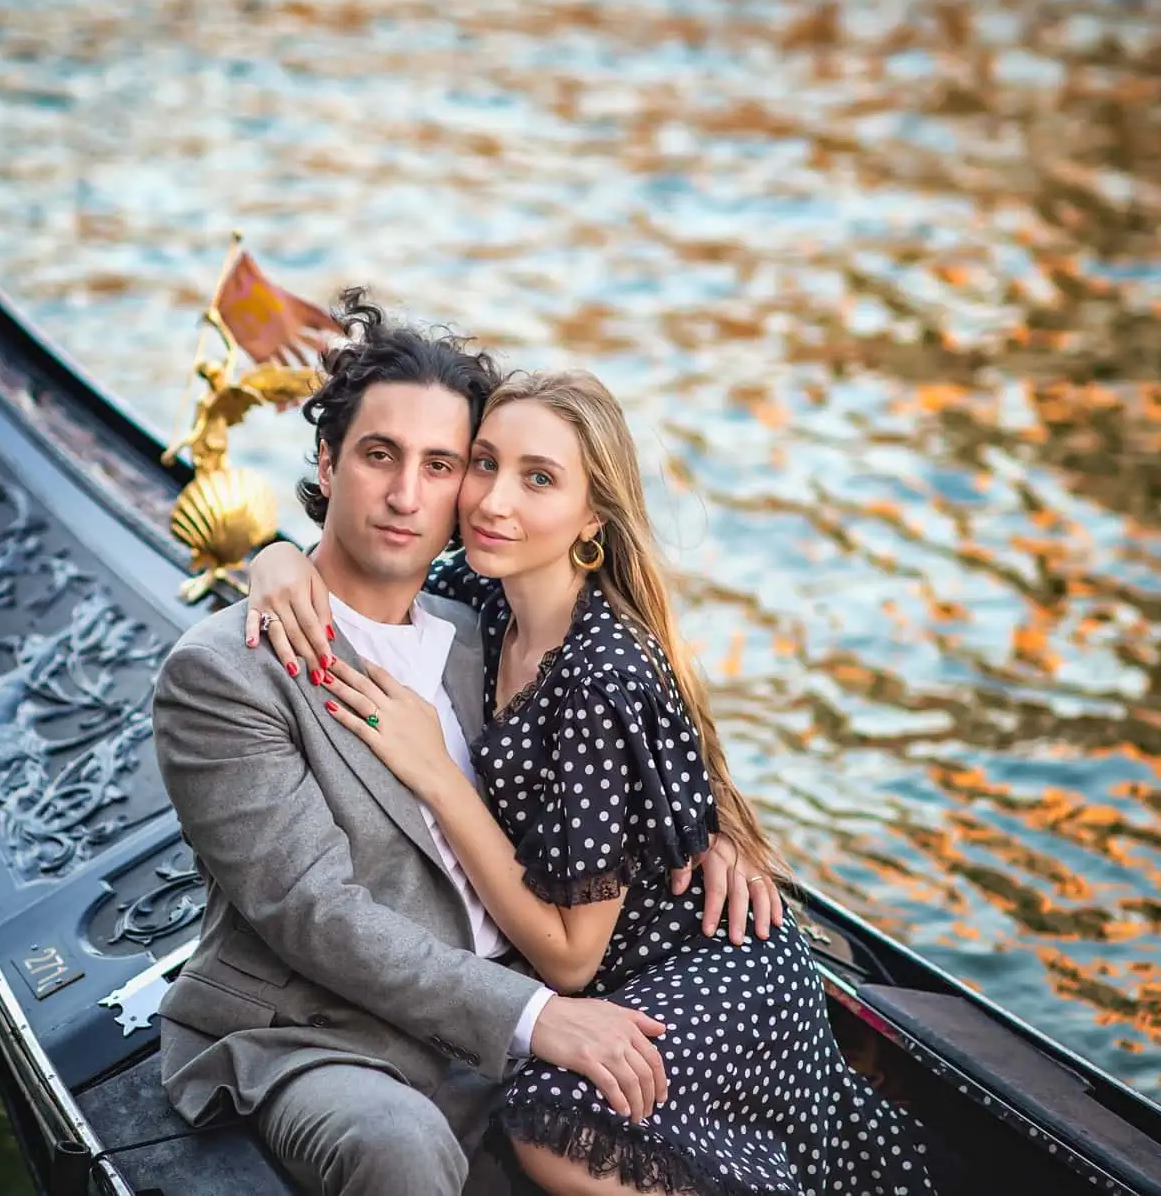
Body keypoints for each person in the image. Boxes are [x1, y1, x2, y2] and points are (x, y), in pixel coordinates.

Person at [245, 368, 943, 1195]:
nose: (491, 501)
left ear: (592, 518)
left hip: (703, 968)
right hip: (626, 961)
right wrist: (274, 555)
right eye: (484, 464)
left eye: (538, 479)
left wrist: (438, 773)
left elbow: (573, 962)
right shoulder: (485, 592)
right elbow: (363, 562)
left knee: (555, 1123)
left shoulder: (596, 677)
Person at [149, 292, 784, 1196]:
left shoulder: (484, 618)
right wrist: (536, 1017)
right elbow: (312, 912)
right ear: (326, 465)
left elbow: (604, 735)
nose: (409, 494)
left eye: (441, 464)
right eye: (378, 456)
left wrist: (706, 829)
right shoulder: (225, 671)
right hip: (325, 1036)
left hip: (529, 1007)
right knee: (396, 1146)